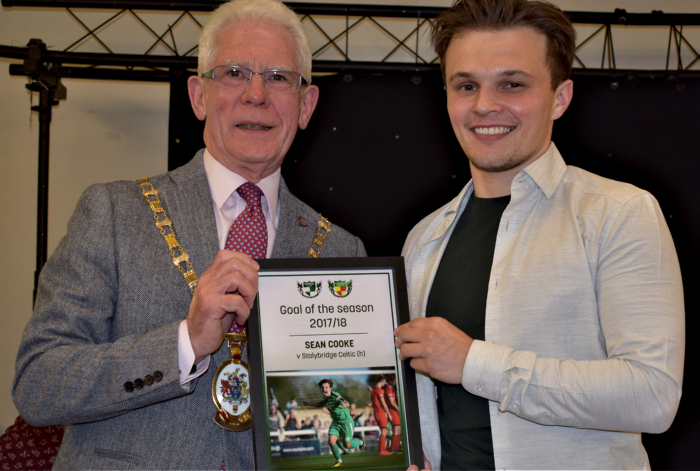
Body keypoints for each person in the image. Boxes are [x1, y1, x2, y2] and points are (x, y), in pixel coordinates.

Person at [12, 0, 365, 469]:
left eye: (279, 77)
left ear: (306, 105)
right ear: (199, 96)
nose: (256, 94)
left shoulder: (343, 252)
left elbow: (338, 421)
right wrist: (184, 343)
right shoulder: (114, 214)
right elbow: (39, 384)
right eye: (235, 73)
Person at [394, 0, 685, 470]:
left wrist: (475, 363)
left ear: (560, 96)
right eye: (466, 85)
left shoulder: (620, 213)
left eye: (512, 84)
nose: (485, 105)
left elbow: (651, 395)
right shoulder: (424, 238)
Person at [303, 379, 364, 467]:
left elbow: (346, 403)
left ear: (331, 388)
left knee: (347, 445)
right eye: (322, 387)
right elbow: (320, 404)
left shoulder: (336, 396)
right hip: (336, 423)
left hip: (346, 423)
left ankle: (360, 442)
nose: (324, 389)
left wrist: (345, 405)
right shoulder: (324, 398)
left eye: (326, 387)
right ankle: (339, 461)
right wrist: (309, 403)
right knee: (331, 441)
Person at [369, 377, 393, 456]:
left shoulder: (373, 389)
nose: (384, 384)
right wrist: (389, 413)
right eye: (384, 382)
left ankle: (383, 449)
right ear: (382, 381)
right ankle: (381, 451)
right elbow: (383, 403)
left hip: (375, 412)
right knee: (384, 431)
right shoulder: (379, 390)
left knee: (384, 431)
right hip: (380, 412)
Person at [383, 376, 401, 453]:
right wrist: (399, 410)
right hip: (392, 411)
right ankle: (393, 449)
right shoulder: (388, 388)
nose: (395, 382)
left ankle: (396, 448)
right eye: (394, 381)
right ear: (390, 381)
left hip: (395, 411)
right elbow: (391, 402)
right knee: (396, 430)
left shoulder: (394, 389)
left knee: (398, 430)